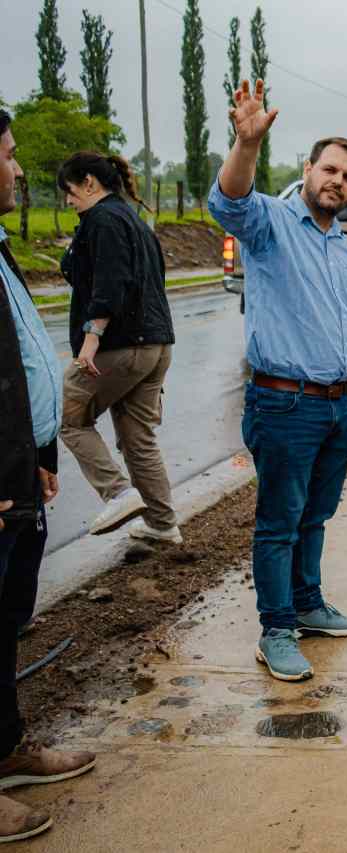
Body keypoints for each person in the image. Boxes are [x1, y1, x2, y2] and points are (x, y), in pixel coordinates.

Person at [209, 80, 347, 682]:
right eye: (330, 170)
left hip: (337, 407)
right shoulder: (271, 224)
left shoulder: (342, 247)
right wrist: (246, 143)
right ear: (307, 169)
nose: (338, 182)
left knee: (314, 517)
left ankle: (309, 606)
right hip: (284, 404)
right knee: (280, 523)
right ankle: (276, 629)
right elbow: (230, 200)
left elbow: (346, 327)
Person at [0, 108, 97, 844]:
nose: (16, 169)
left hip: (19, 472)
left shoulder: (0, 250)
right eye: (6, 155)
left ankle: (6, 748)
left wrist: (38, 454)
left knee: (6, 621)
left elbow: (19, 363)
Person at [56, 151, 180, 543]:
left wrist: (91, 339)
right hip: (156, 345)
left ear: (90, 183)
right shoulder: (134, 221)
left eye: (70, 191)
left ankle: (118, 493)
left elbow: (111, 282)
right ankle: (163, 525)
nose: (68, 200)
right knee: (136, 437)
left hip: (120, 344)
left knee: (70, 417)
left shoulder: (102, 219)